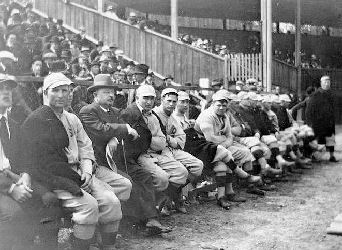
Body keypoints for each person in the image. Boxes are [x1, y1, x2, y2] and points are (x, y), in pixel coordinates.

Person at [22, 72, 131, 250]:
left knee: (111, 201)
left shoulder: (72, 118)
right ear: (45, 93)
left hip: (80, 172)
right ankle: (80, 246)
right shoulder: (37, 120)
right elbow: (41, 163)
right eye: (55, 90)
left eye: (65, 90)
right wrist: (76, 178)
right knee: (89, 206)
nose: (61, 95)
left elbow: (85, 147)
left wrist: (87, 171)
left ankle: (107, 245)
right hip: (56, 177)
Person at [79, 74, 171, 234]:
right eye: (106, 92)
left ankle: (151, 219)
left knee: (144, 175)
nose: (111, 95)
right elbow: (100, 130)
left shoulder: (115, 111)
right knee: (129, 182)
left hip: (119, 159)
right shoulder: (88, 111)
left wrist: (116, 136)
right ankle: (128, 222)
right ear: (95, 95)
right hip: (99, 162)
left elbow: (126, 130)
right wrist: (124, 130)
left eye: (113, 92)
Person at [0, 76, 61, 250]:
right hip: (2, 185)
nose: (6, 92)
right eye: (0, 88)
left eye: (8, 88)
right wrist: (11, 189)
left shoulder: (13, 124)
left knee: (50, 199)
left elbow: (26, 157)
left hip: (15, 178)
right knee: (14, 213)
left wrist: (26, 175)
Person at [120, 85, 190, 214]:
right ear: (137, 98)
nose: (149, 101)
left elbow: (163, 140)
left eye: (152, 98)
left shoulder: (153, 115)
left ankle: (160, 200)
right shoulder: (130, 113)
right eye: (145, 98)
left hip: (157, 152)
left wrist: (155, 141)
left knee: (182, 173)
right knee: (162, 178)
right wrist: (154, 141)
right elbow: (135, 141)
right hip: (139, 155)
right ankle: (153, 207)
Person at [195, 90, 261, 203]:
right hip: (203, 148)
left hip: (219, 147)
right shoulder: (207, 116)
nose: (221, 107)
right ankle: (223, 195)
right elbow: (209, 139)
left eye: (224, 105)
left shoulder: (224, 116)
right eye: (218, 105)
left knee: (244, 152)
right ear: (213, 104)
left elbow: (230, 136)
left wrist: (224, 141)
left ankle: (242, 187)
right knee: (224, 161)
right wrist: (225, 140)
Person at [153, 88, 204, 212]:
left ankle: (169, 196)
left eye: (174, 101)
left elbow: (181, 140)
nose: (171, 104)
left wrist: (170, 139)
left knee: (198, 166)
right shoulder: (154, 114)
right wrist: (169, 140)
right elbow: (155, 139)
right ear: (162, 100)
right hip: (157, 151)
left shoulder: (172, 117)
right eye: (169, 101)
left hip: (172, 148)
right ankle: (165, 201)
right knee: (180, 172)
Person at [306, 75, 338, 162]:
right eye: (325, 82)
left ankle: (332, 156)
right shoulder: (316, 94)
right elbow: (310, 109)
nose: (327, 83)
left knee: (331, 139)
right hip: (319, 122)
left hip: (329, 121)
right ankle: (313, 156)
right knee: (318, 140)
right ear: (321, 83)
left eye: (328, 81)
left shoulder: (331, 94)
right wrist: (312, 122)